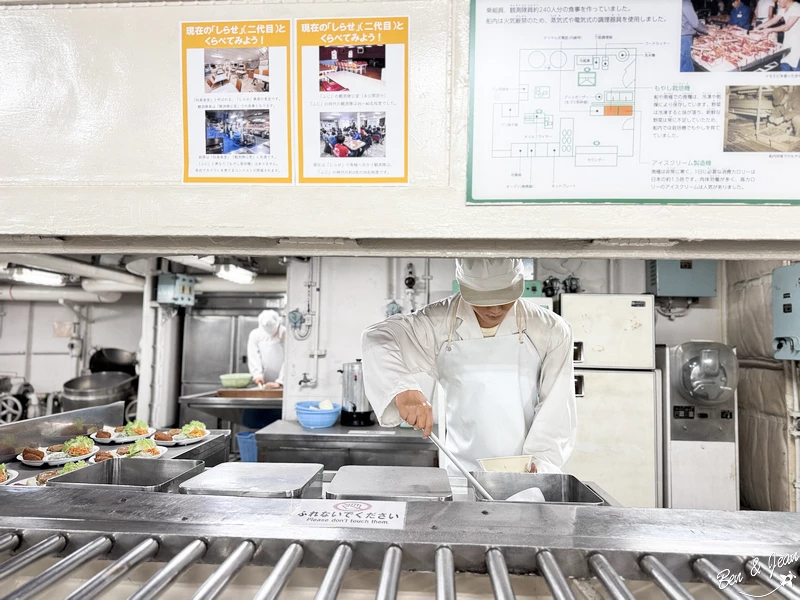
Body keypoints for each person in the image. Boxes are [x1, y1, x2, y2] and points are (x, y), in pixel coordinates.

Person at [361, 258, 577, 476]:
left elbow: (556, 409)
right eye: (483, 299)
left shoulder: (550, 329)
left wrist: (541, 465)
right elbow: (377, 337)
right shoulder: (438, 322)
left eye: (505, 297)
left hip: (525, 473)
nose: (495, 309)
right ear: (465, 288)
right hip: (462, 475)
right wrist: (403, 388)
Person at [755, 0, 800, 70]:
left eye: (778, 1)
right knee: (785, 63)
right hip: (788, 41)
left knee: (796, 67)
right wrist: (759, 26)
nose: (777, 4)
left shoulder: (797, 7)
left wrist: (770, 30)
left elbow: (787, 26)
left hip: (797, 43)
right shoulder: (783, 8)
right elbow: (774, 20)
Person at [247, 310, 285, 389]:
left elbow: (290, 359)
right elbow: (253, 357)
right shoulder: (255, 334)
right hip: (263, 382)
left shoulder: (285, 333)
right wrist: (257, 375)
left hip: (285, 382)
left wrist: (280, 381)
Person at [682, 0, 708, 72]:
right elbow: (695, 23)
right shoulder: (686, 3)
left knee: (680, 63)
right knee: (686, 64)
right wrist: (707, 30)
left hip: (675, 36)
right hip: (684, 38)